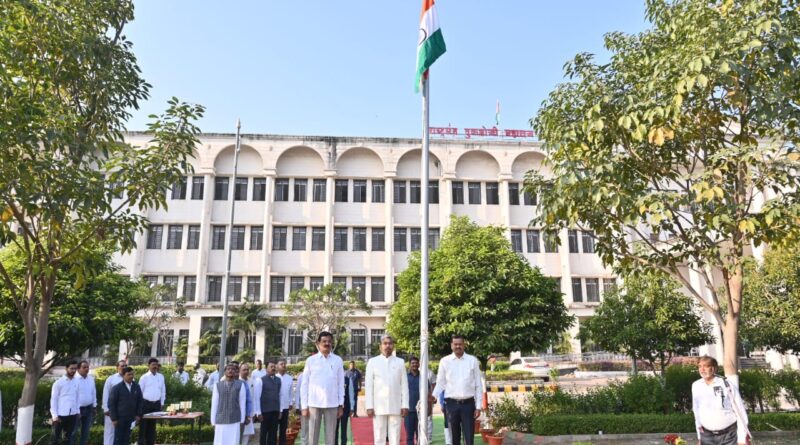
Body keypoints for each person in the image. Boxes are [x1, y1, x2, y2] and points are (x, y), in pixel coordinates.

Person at [431, 335, 483, 445]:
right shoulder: (444, 361)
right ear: (451, 346)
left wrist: (478, 406)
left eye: (460, 344)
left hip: (468, 404)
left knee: (469, 437)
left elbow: (478, 385)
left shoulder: (472, 360)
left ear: (464, 345)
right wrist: (433, 396)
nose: (458, 346)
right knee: (454, 437)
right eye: (455, 344)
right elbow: (441, 382)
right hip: (451, 405)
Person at [692, 356, 749, 445]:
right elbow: (696, 411)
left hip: (729, 435)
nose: (702, 369)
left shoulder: (726, 384)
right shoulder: (696, 386)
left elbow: (740, 411)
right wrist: (700, 436)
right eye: (700, 366)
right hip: (707, 436)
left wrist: (742, 439)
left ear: (714, 368)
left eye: (706, 366)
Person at [300, 332, 344, 445]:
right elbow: (304, 384)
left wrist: (340, 405)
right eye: (324, 341)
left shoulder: (337, 360)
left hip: (332, 404)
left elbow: (340, 384)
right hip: (314, 404)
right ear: (318, 343)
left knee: (330, 438)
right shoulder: (311, 360)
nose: (327, 343)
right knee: (312, 437)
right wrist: (304, 406)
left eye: (329, 341)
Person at [365, 335, 408, 445]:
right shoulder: (372, 362)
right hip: (378, 406)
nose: (388, 346)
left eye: (390, 343)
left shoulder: (400, 362)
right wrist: (369, 406)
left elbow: (404, 385)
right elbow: (369, 386)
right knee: (379, 436)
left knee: (395, 437)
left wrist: (405, 405)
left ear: (393, 346)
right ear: (380, 346)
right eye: (385, 343)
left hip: (396, 405)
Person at [211, 363, 248, 445]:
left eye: (233, 369)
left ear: (235, 372)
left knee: (233, 442)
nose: (230, 370)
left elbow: (242, 403)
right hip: (220, 420)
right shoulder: (217, 385)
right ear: (225, 372)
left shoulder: (240, 385)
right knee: (220, 442)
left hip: (235, 420)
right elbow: (214, 404)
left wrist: (242, 420)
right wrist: (213, 421)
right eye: (228, 369)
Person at [108, 366, 143, 445]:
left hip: (131, 418)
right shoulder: (117, 388)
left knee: (127, 439)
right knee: (118, 440)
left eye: (132, 374)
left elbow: (140, 401)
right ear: (123, 376)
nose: (131, 376)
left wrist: (138, 414)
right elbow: (111, 404)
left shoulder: (136, 387)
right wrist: (114, 419)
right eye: (129, 374)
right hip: (120, 419)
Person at [50, 359, 81, 445]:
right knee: (54, 439)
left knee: (68, 439)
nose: (74, 370)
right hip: (60, 415)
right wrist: (54, 416)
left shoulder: (77, 382)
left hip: (72, 415)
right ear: (66, 368)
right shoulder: (58, 383)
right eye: (71, 368)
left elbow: (77, 398)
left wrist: (78, 411)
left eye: (75, 368)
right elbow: (54, 399)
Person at [406, 357, 435, 445]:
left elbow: (428, 394)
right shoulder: (405, 377)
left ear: (419, 364)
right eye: (412, 363)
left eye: (416, 363)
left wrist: (429, 408)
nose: (414, 364)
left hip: (421, 411)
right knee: (409, 436)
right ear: (409, 365)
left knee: (421, 436)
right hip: (409, 411)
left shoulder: (423, 378)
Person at [138, 358, 166, 445]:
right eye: (153, 364)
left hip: (156, 405)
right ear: (149, 366)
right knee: (143, 427)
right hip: (145, 405)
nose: (155, 366)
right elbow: (139, 393)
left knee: (152, 428)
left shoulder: (161, 377)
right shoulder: (144, 377)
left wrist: (162, 403)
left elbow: (163, 391)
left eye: (156, 365)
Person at [254, 362, 282, 445]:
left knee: (273, 434)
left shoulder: (278, 380)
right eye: (271, 367)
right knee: (263, 433)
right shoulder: (260, 380)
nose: (273, 368)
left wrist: (280, 411)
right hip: (265, 412)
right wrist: (258, 412)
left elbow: (280, 395)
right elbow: (257, 397)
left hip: (275, 411)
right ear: (266, 369)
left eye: (274, 367)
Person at [102, 360, 127, 445]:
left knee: (122, 433)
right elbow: (106, 394)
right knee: (110, 432)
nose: (124, 367)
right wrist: (105, 408)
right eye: (122, 366)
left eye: (125, 366)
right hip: (111, 410)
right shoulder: (111, 379)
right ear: (117, 368)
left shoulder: (130, 378)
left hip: (124, 411)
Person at [76, 360, 97, 445]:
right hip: (77, 410)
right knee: (73, 432)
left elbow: (93, 392)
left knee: (86, 431)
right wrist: (76, 410)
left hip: (89, 408)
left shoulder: (91, 379)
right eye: (84, 367)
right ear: (78, 369)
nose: (86, 369)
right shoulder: (74, 379)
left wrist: (94, 406)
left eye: (87, 367)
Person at [334, 372, 355, 445]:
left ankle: (344, 443)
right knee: (334, 429)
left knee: (344, 428)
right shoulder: (333, 380)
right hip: (334, 408)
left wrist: (352, 407)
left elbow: (351, 394)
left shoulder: (348, 380)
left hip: (345, 408)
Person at [276, 359, 294, 445]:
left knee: (283, 429)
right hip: (275, 408)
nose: (283, 365)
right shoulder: (275, 378)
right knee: (274, 429)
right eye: (281, 364)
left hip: (286, 407)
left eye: (284, 364)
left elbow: (291, 392)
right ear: (277, 366)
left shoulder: (289, 378)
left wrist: (291, 403)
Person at [240, 363, 256, 445]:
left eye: (247, 369)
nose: (246, 371)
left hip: (249, 414)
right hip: (239, 414)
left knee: (246, 437)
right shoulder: (237, 381)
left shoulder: (251, 381)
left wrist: (252, 414)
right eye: (244, 370)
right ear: (239, 371)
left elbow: (253, 398)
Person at [294, 372, 307, 445]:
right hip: (303, 406)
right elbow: (297, 392)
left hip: (314, 406)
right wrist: (297, 406)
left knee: (313, 428)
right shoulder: (301, 376)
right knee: (304, 427)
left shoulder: (316, 374)